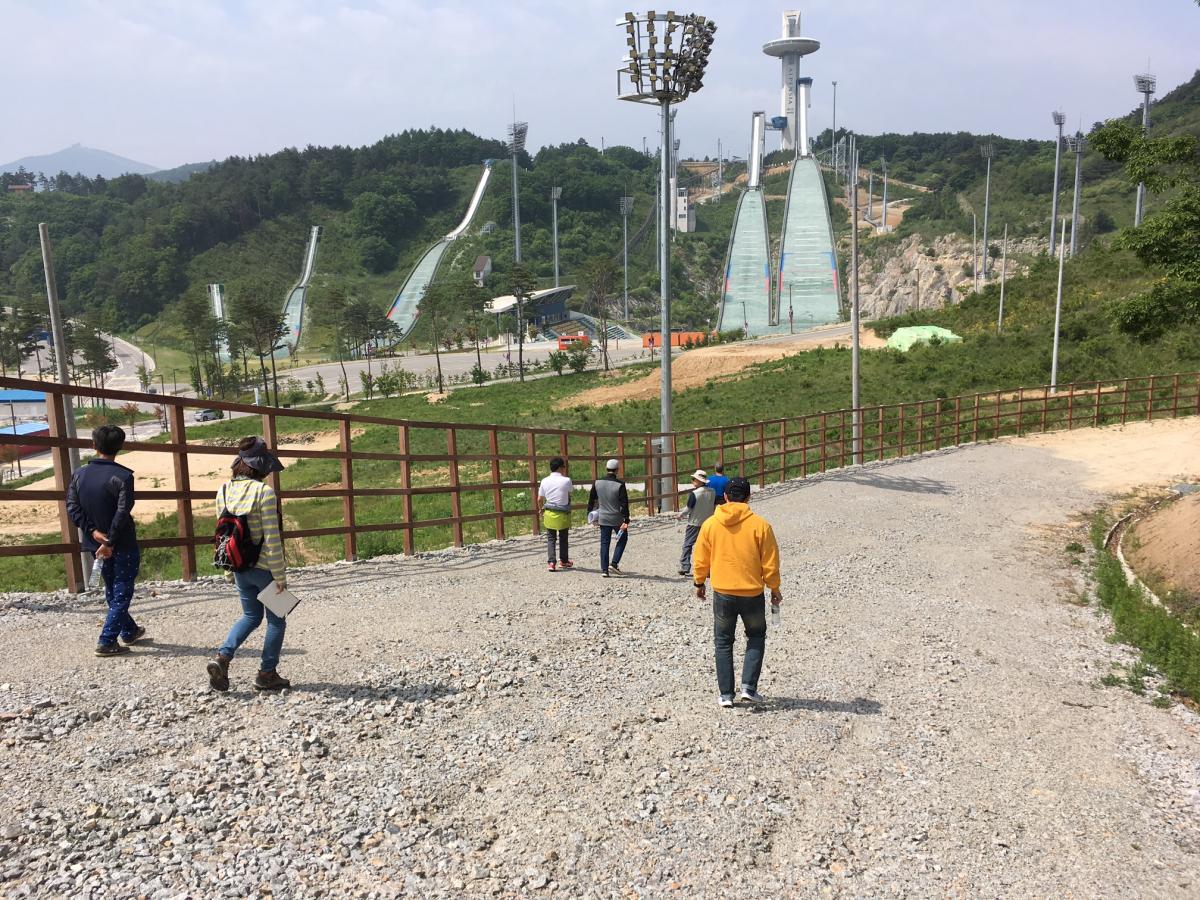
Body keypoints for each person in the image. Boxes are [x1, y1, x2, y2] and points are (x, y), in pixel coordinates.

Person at [207, 437, 290, 692]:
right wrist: (280, 576)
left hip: (239, 566)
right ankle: (267, 673)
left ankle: (222, 657)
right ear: (261, 466)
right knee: (278, 620)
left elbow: (225, 535)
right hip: (265, 568)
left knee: (251, 615)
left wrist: (229, 571)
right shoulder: (264, 492)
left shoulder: (223, 490)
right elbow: (272, 538)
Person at [692, 477, 782, 708]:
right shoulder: (761, 526)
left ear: (726, 498)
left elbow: (700, 558)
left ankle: (725, 695)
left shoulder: (711, 525)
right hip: (752, 592)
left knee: (723, 642)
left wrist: (699, 582)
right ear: (749, 498)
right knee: (756, 636)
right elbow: (770, 563)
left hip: (722, 592)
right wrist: (774, 588)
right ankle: (748, 688)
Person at [66, 425, 146, 657]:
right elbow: (122, 512)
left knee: (113, 589)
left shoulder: (79, 474)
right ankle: (106, 640)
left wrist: (93, 532)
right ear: (120, 446)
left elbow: (72, 507)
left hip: (95, 544)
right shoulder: (123, 476)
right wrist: (110, 540)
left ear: (94, 445)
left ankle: (129, 631)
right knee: (121, 591)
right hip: (122, 543)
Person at [587, 458, 630, 577]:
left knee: (604, 543)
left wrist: (590, 514)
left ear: (606, 469)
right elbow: (624, 503)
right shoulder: (620, 485)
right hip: (617, 518)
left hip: (603, 517)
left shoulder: (597, 482)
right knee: (622, 538)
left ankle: (604, 570)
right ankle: (614, 563)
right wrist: (626, 519)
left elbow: (592, 500)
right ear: (617, 470)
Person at [676, 469, 716, 577]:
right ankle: (708, 569)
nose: (692, 481)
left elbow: (688, 508)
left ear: (699, 481)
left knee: (687, 545)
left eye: (694, 479)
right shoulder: (712, 492)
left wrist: (680, 515)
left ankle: (685, 566)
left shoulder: (695, 494)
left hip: (694, 523)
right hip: (708, 523)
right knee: (707, 546)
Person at [538, 456, 573, 572]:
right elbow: (569, 495)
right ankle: (564, 561)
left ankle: (551, 562)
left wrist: (541, 509)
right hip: (563, 514)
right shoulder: (566, 480)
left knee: (551, 538)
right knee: (563, 538)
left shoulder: (544, 481)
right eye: (564, 467)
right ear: (560, 468)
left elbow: (539, 499)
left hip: (549, 513)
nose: (564, 469)